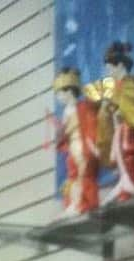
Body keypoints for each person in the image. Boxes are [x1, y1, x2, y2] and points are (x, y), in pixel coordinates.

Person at [96, 41, 134, 203]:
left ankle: (132, 188)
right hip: (119, 132)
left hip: (132, 131)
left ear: (120, 65)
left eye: (110, 67)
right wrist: (107, 109)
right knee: (122, 159)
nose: (108, 71)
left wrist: (120, 108)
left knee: (131, 158)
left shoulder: (133, 84)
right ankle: (126, 189)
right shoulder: (116, 87)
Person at [53, 67, 100, 215]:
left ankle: (83, 203)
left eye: (60, 92)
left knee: (83, 174)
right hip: (72, 147)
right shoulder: (66, 112)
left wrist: (93, 144)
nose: (58, 96)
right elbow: (64, 134)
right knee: (73, 175)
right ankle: (74, 203)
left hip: (82, 145)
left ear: (69, 91)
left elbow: (91, 125)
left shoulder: (84, 107)